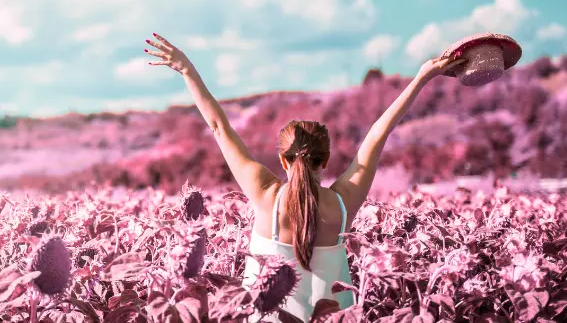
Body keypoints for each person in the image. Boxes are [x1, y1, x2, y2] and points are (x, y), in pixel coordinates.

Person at [143, 33, 465, 322]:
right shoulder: (342, 206)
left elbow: (218, 127)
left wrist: (187, 69)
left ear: (283, 160)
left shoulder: (265, 195)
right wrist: (423, 76)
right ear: (325, 160)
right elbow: (379, 133)